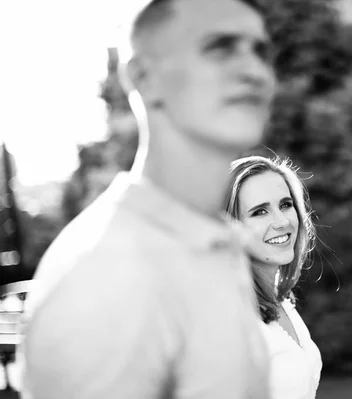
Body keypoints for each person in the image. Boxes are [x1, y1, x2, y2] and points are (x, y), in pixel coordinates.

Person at [19, 0, 276, 398]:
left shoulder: (217, 243)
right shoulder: (104, 274)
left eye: (260, 51)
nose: (255, 71)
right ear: (144, 76)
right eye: (220, 47)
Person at [224, 155, 323, 399]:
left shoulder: (281, 300)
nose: (282, 221)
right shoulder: (228, 320)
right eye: (259, 212)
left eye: (286, 205)